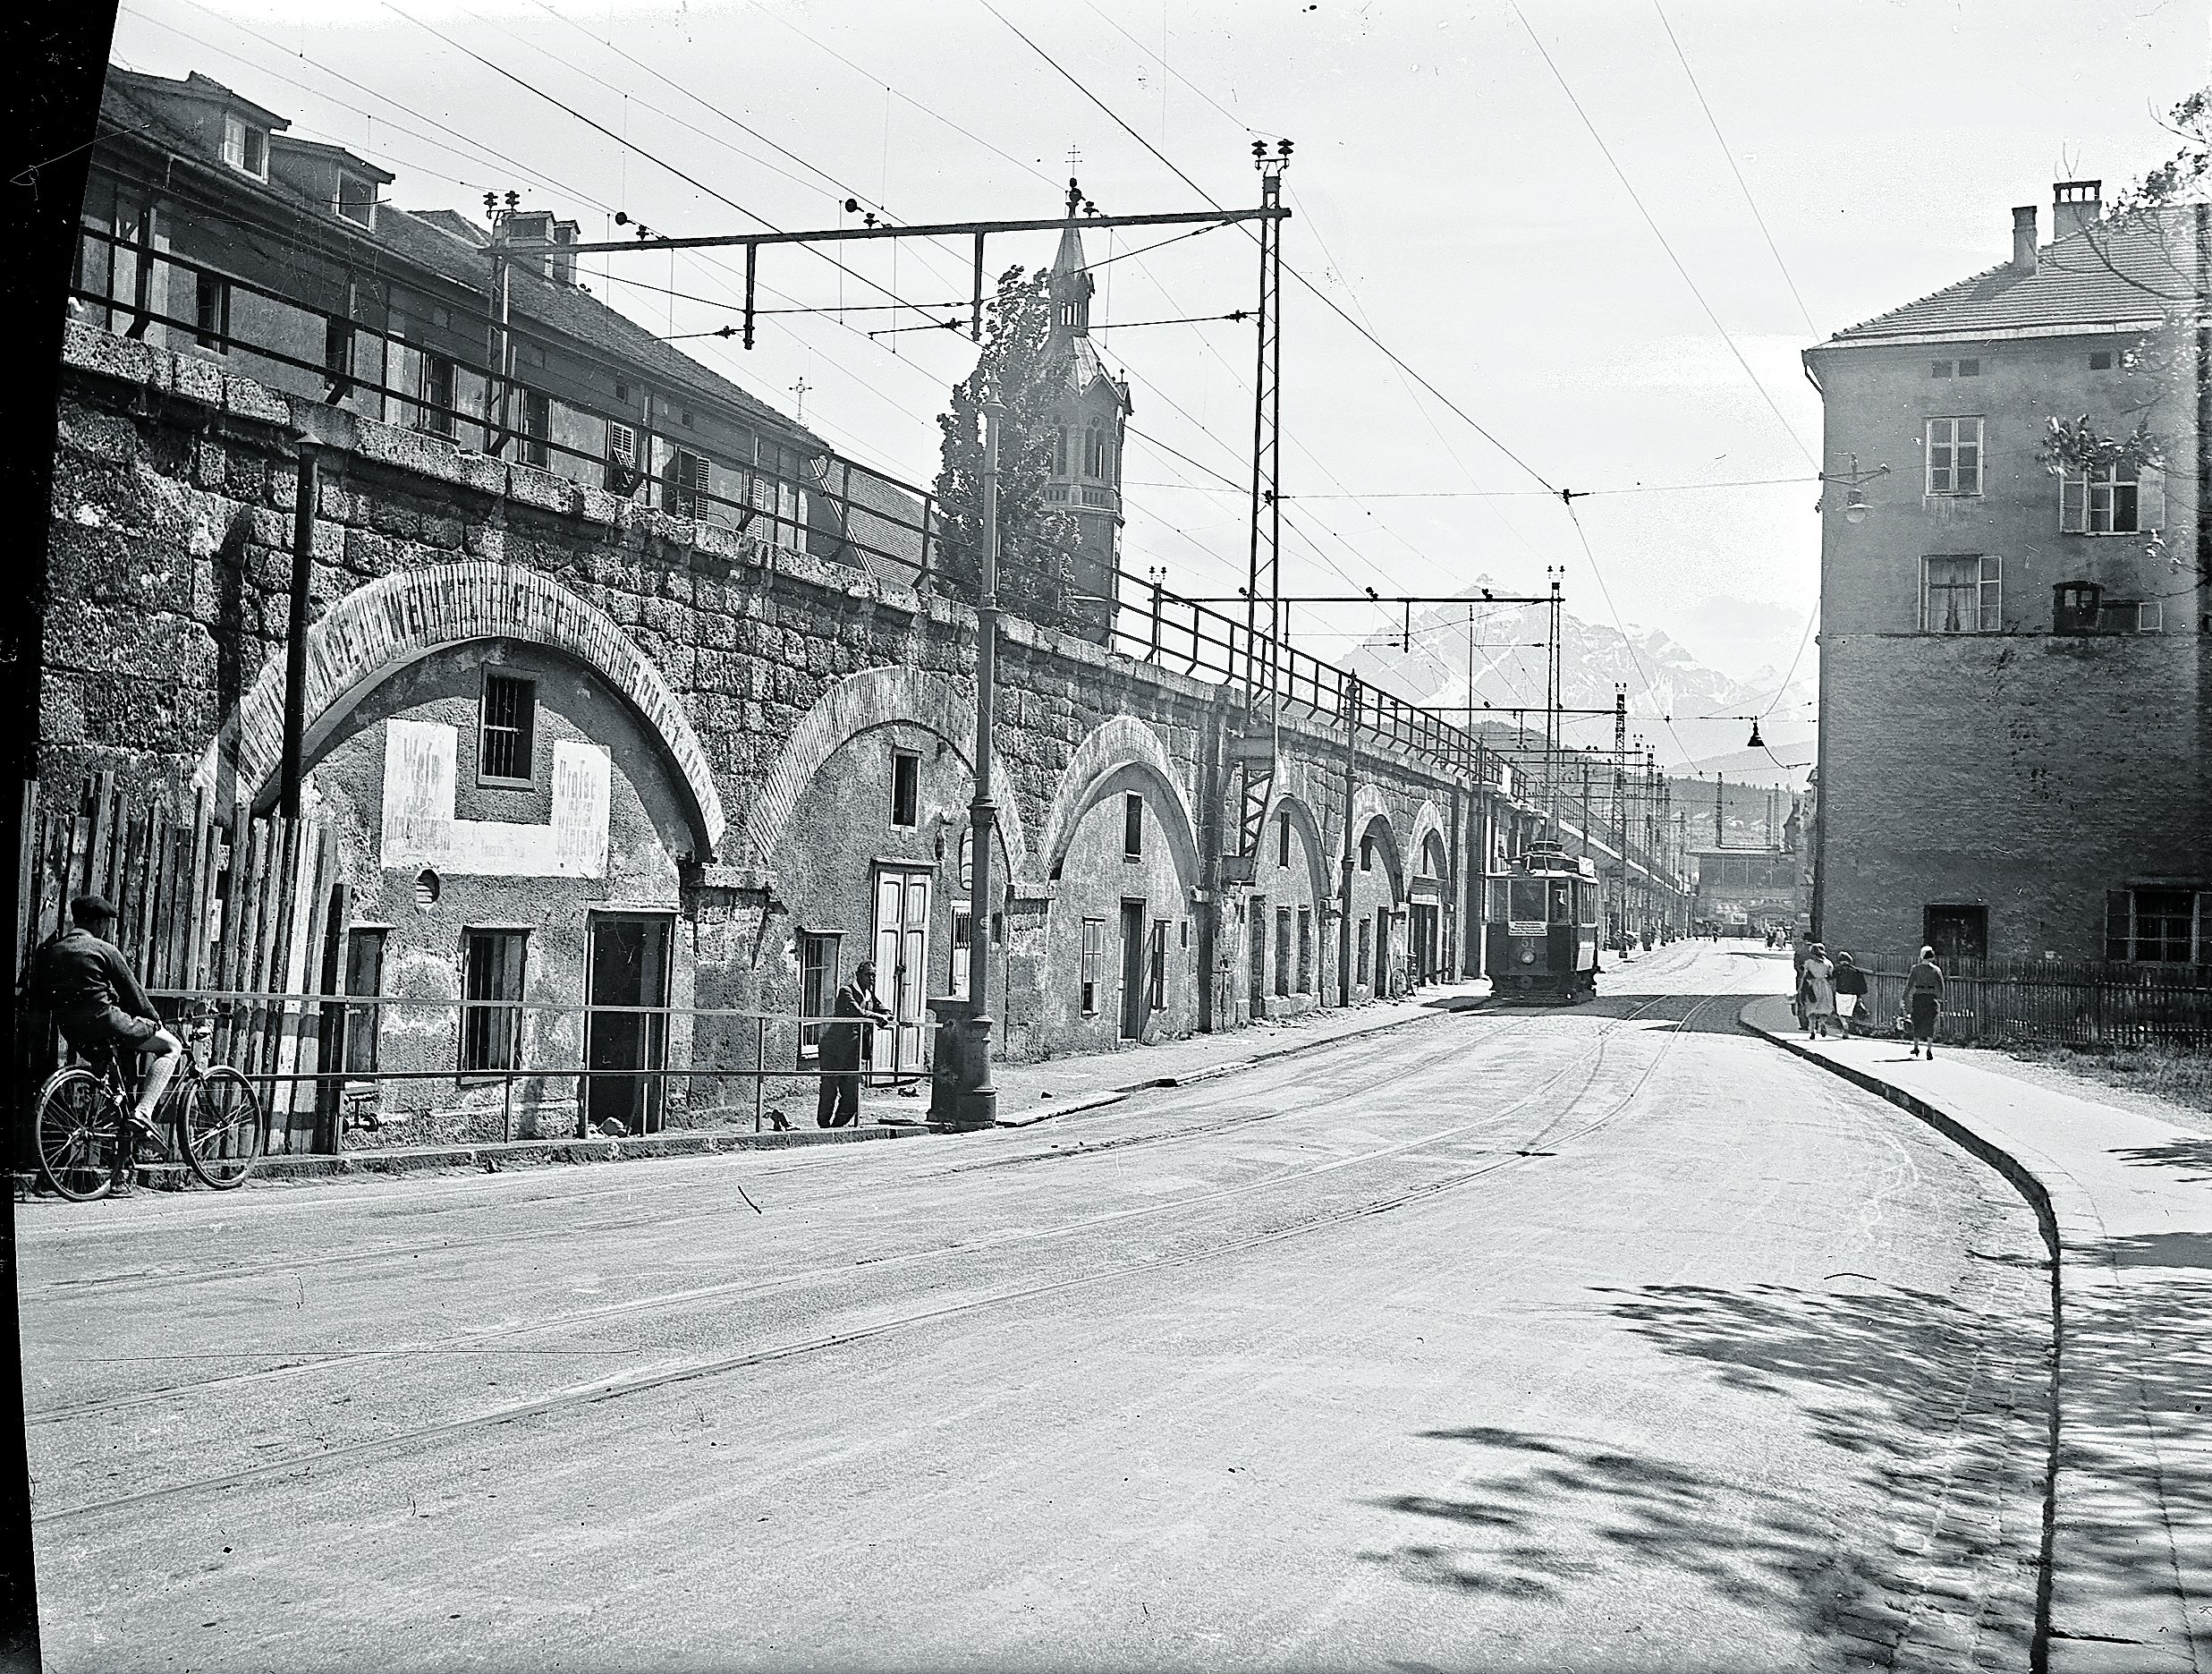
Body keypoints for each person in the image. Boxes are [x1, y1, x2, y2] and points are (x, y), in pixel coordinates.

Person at [30, 896, 180, 1174]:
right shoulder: (103, 949)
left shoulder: (51, 950)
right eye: (106, 924)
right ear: (98, 922)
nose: (107, 929)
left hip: (74, 1033)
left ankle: (121, 1167)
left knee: (117, 1087)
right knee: (172, 1046)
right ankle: (143, 1114)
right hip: (109, 1025)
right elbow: (134, 995)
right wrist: (154, 1021)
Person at [816, 959, 893, 1128]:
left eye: (873, 976)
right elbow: (857, 1012)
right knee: (830, 1086)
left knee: (852, 1093)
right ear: (858, 975)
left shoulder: (869, 995)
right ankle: (823, 1124)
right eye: (867, 975)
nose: (871, 979)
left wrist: (886, 1015)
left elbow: (883, 1009)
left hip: (853, 1051)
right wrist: (878, 1017)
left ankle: (836, 1127)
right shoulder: (846, 992)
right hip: (834, 1049)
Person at [1906, 945, 1945, 1058]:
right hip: (1931, 998)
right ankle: (1929, 1049)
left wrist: (1905, 997)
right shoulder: (1936, 970)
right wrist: (1940, 998)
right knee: (1930, 1023)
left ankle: (1916, 1047)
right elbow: (1941, 986)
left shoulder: (1916, 969)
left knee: (1917, 1021)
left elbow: (1910, 984)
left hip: (1918, 997)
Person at [1800, 942, 1841, 1041]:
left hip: (1812, 985)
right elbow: (1831, 976)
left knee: (1811, 1007)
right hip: (1824, 986)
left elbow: (1804, 976)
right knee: (1823, 1007)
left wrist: (1801, 988)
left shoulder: (1809, 962)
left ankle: (1812, 1029)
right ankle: (1822, 1023)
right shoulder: (1828, 963)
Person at [1832, 950, 1869, 1037]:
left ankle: (1844, 1024)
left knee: (1840, 1012)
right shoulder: (1856, 971)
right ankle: (1847, 1028)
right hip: (1852, 995)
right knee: (1848, 1012)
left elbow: (1832, 977)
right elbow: (1862, 986)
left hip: (1841, 993)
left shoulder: (1839, 969)